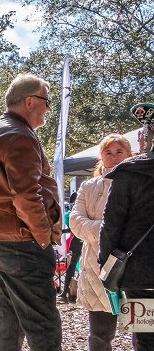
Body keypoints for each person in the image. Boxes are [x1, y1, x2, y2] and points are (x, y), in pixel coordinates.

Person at [0, 73, 62, 351]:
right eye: (46, 102)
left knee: (9, 318)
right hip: (22, 240)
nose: (48, 109)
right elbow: (26, 195)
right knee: (42, 323)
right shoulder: (18, 135)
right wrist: (42, 235)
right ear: (30, 101)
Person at [71, 133, 132, 351]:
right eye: (109, 152)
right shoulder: (89, 187)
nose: (114, 157)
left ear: (129, 154)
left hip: (135, 268)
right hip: (98, 269)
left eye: (119, 152)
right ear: (101, 157)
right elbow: (75, 221)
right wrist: (108, 229)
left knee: (143, 332)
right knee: (99, 335)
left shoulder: (144, 184)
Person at [99, 135, 154, 351]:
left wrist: (106, 267)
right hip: (139, 272)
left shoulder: (129, 172)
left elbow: (111, 224)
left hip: (138, 273)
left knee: (145, 338)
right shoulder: (127, 171)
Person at [59, 192, 82, 302]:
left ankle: (67, 293)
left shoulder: (78, 211)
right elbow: (73, 229)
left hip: (80, 241)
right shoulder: (74, 212)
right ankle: (65, 292)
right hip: (78, 242)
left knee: (73, 267)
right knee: (72, 267)